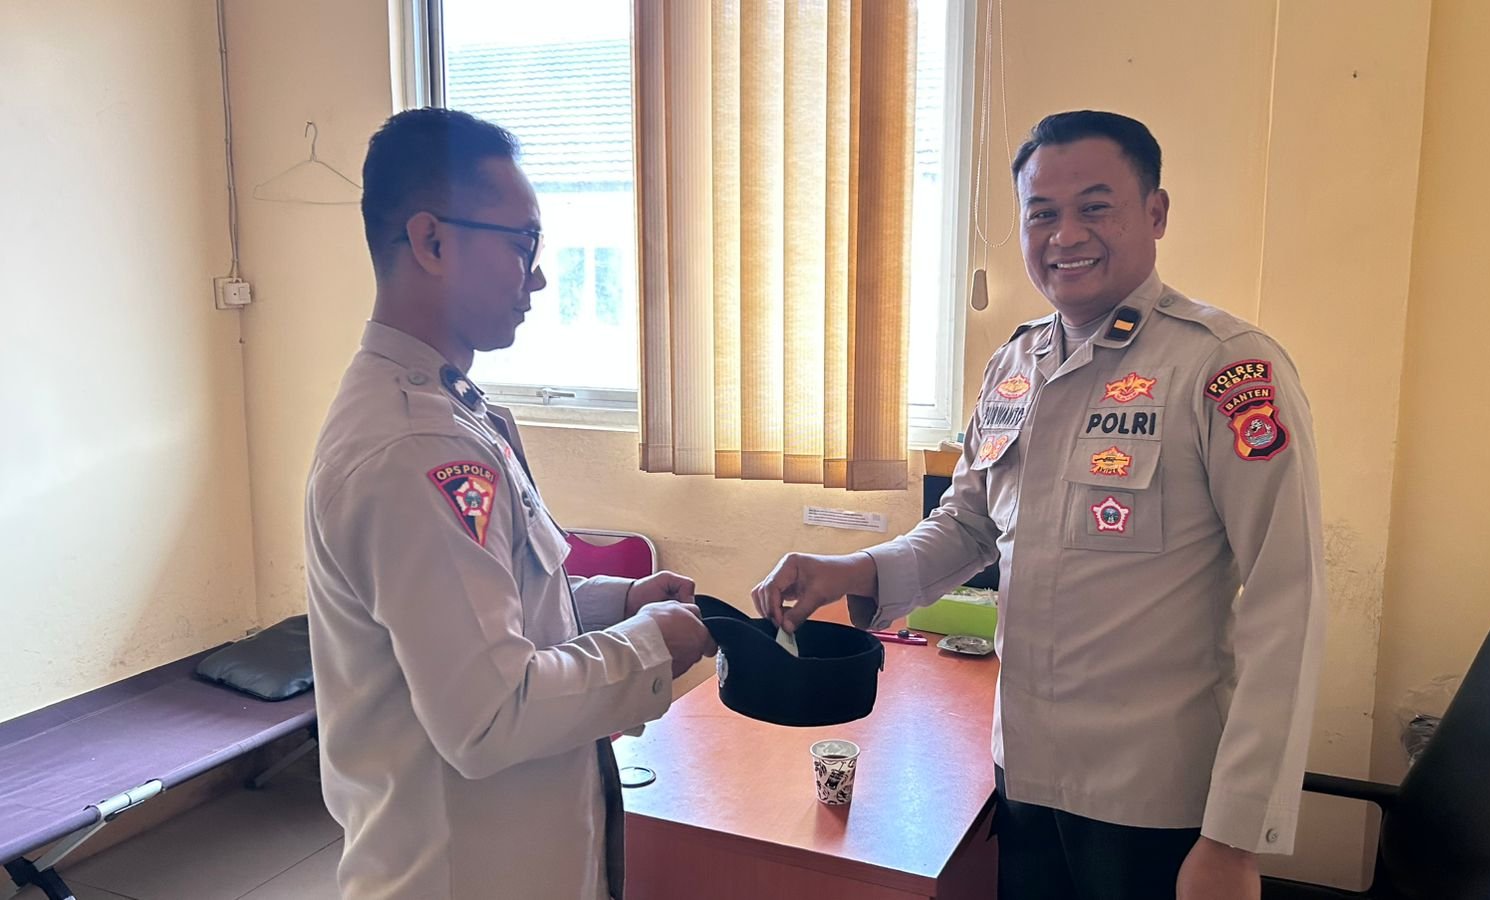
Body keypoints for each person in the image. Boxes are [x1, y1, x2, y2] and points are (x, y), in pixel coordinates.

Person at [753, 110, 1326, 900]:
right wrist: (849, 570)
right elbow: (968, 524)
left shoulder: (1224, 369)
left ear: (1155, 213)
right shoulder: (1015, 365)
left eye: (1095, 207)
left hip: (1154, 796)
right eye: (1042, 213)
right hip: (1023, 772)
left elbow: (1286, 601)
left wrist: (1234, 837)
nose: (1066, 235)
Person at [304, 108, 716, 900]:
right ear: (431, 242)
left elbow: (498, 606)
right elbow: (490, 715)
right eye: (522, 244)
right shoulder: (412, 448)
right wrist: (651, 646)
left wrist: (620, 602)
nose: (538, 278)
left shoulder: (450, 413)